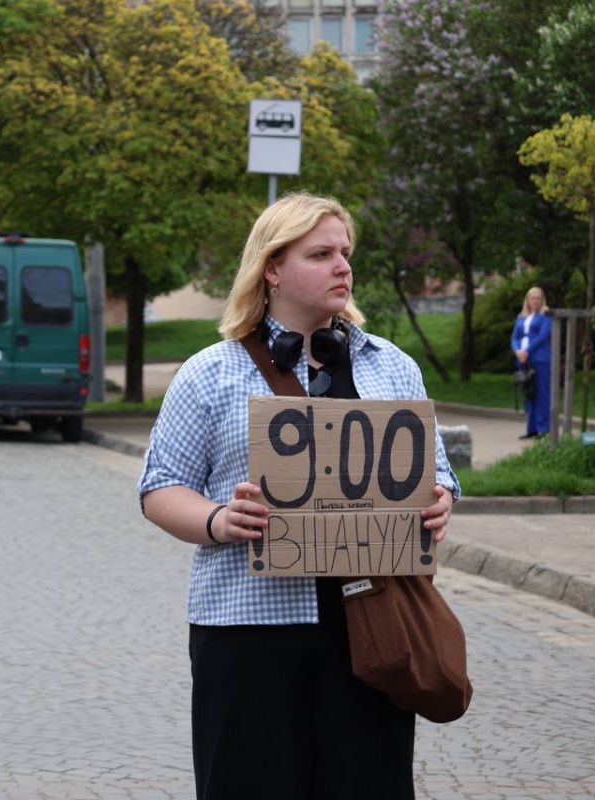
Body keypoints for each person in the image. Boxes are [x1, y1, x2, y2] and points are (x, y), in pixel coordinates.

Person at [137, 192, 460, 799]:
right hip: (245, 630)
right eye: (321, 253)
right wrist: (217, 519)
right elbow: (159, 487)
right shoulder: (209, 372)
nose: (343, 266)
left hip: (369, 624)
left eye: (345, 252)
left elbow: (438, 475)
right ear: (273, 270)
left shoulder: (393, 367)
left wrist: (440, 500)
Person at [510, 287, 552, 439]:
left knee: (542, 392)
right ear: (527, 300)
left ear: (542, 300)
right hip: (522, 360)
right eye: (532, 298)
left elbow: (542, 336)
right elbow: (514, 337)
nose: (535, 301)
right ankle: (532, 428)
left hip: (539, 358)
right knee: (528, 393)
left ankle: (543, 427)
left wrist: (526, 350)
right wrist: (517, 351)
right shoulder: (521, 317)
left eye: (538, 298)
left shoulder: (545, 315)